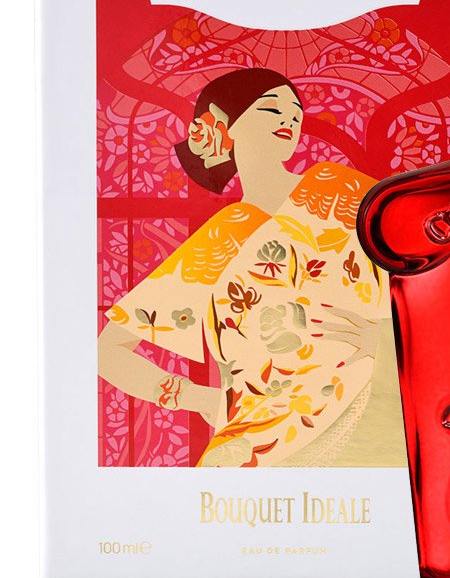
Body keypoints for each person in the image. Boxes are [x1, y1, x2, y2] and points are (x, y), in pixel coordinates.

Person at [98, 68, 405, 467]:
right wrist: (197, 397)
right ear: (224, 125)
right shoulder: (223, 236)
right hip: (253, 438)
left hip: (365, 410)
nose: (288, 120)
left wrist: (387, 338)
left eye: (295, 113)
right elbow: (108, 352)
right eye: (271, 108)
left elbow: (427, 278)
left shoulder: (340, 188)